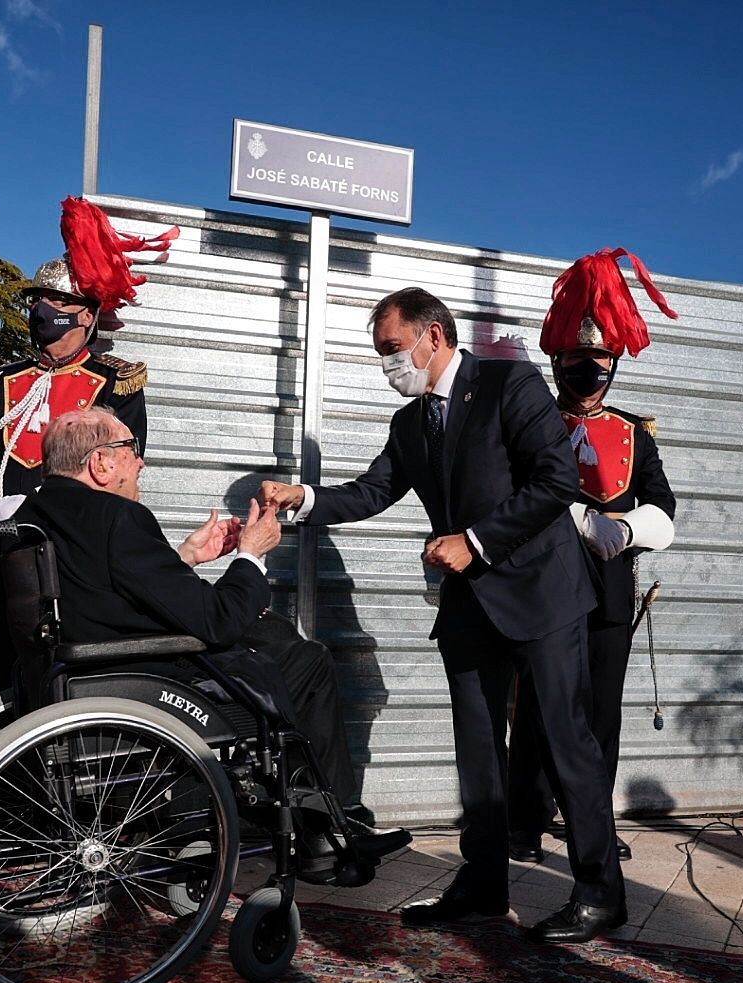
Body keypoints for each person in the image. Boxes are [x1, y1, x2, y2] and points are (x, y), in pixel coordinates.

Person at [259, 288, 626, 944]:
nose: (387, 366)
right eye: (380, 355)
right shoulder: (410, 423)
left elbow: (556, 482)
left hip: (544, 595)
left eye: (392, 350)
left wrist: (475, 541)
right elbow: (374, 490)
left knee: (569, 744)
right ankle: (483, 888)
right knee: (478, 754)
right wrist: (304, 497)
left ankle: (600, 894)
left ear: (432, 336)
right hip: (470, 609)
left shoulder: (508, 382)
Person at [14, 409, 408, 874]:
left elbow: (106, 589)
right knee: (306, 661)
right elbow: (217, 621)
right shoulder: (117, 517)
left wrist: (184, 557)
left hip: (72, 670)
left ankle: (318, 822)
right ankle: (331, 833)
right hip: (137, 680)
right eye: (132, 452)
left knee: (273, 635)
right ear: (101, 464)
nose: (140, 464)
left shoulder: (33, 514)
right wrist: (251, 555)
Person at [507, 248, 679, 865]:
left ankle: (593, 827)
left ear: (613, 365)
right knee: (534, 710)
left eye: (599, 362)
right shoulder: (529, 423)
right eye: (578, 361)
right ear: (558, 362)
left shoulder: (635, 432)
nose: (589, 371)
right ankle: (522, 824)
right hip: (544, 587)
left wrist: (627, 530)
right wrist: (579, 519)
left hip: (608, 590)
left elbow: (664, 508)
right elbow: (514, 496)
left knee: (601, 715)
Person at [0, 197, 176, 521]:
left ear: (87, 315)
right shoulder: (4, 380)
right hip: (1, 533)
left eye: (58, 300)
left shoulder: (116, 382)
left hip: (77, 537)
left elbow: (120, 469)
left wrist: (44, 507)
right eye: (37, 300)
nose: (43, 308)